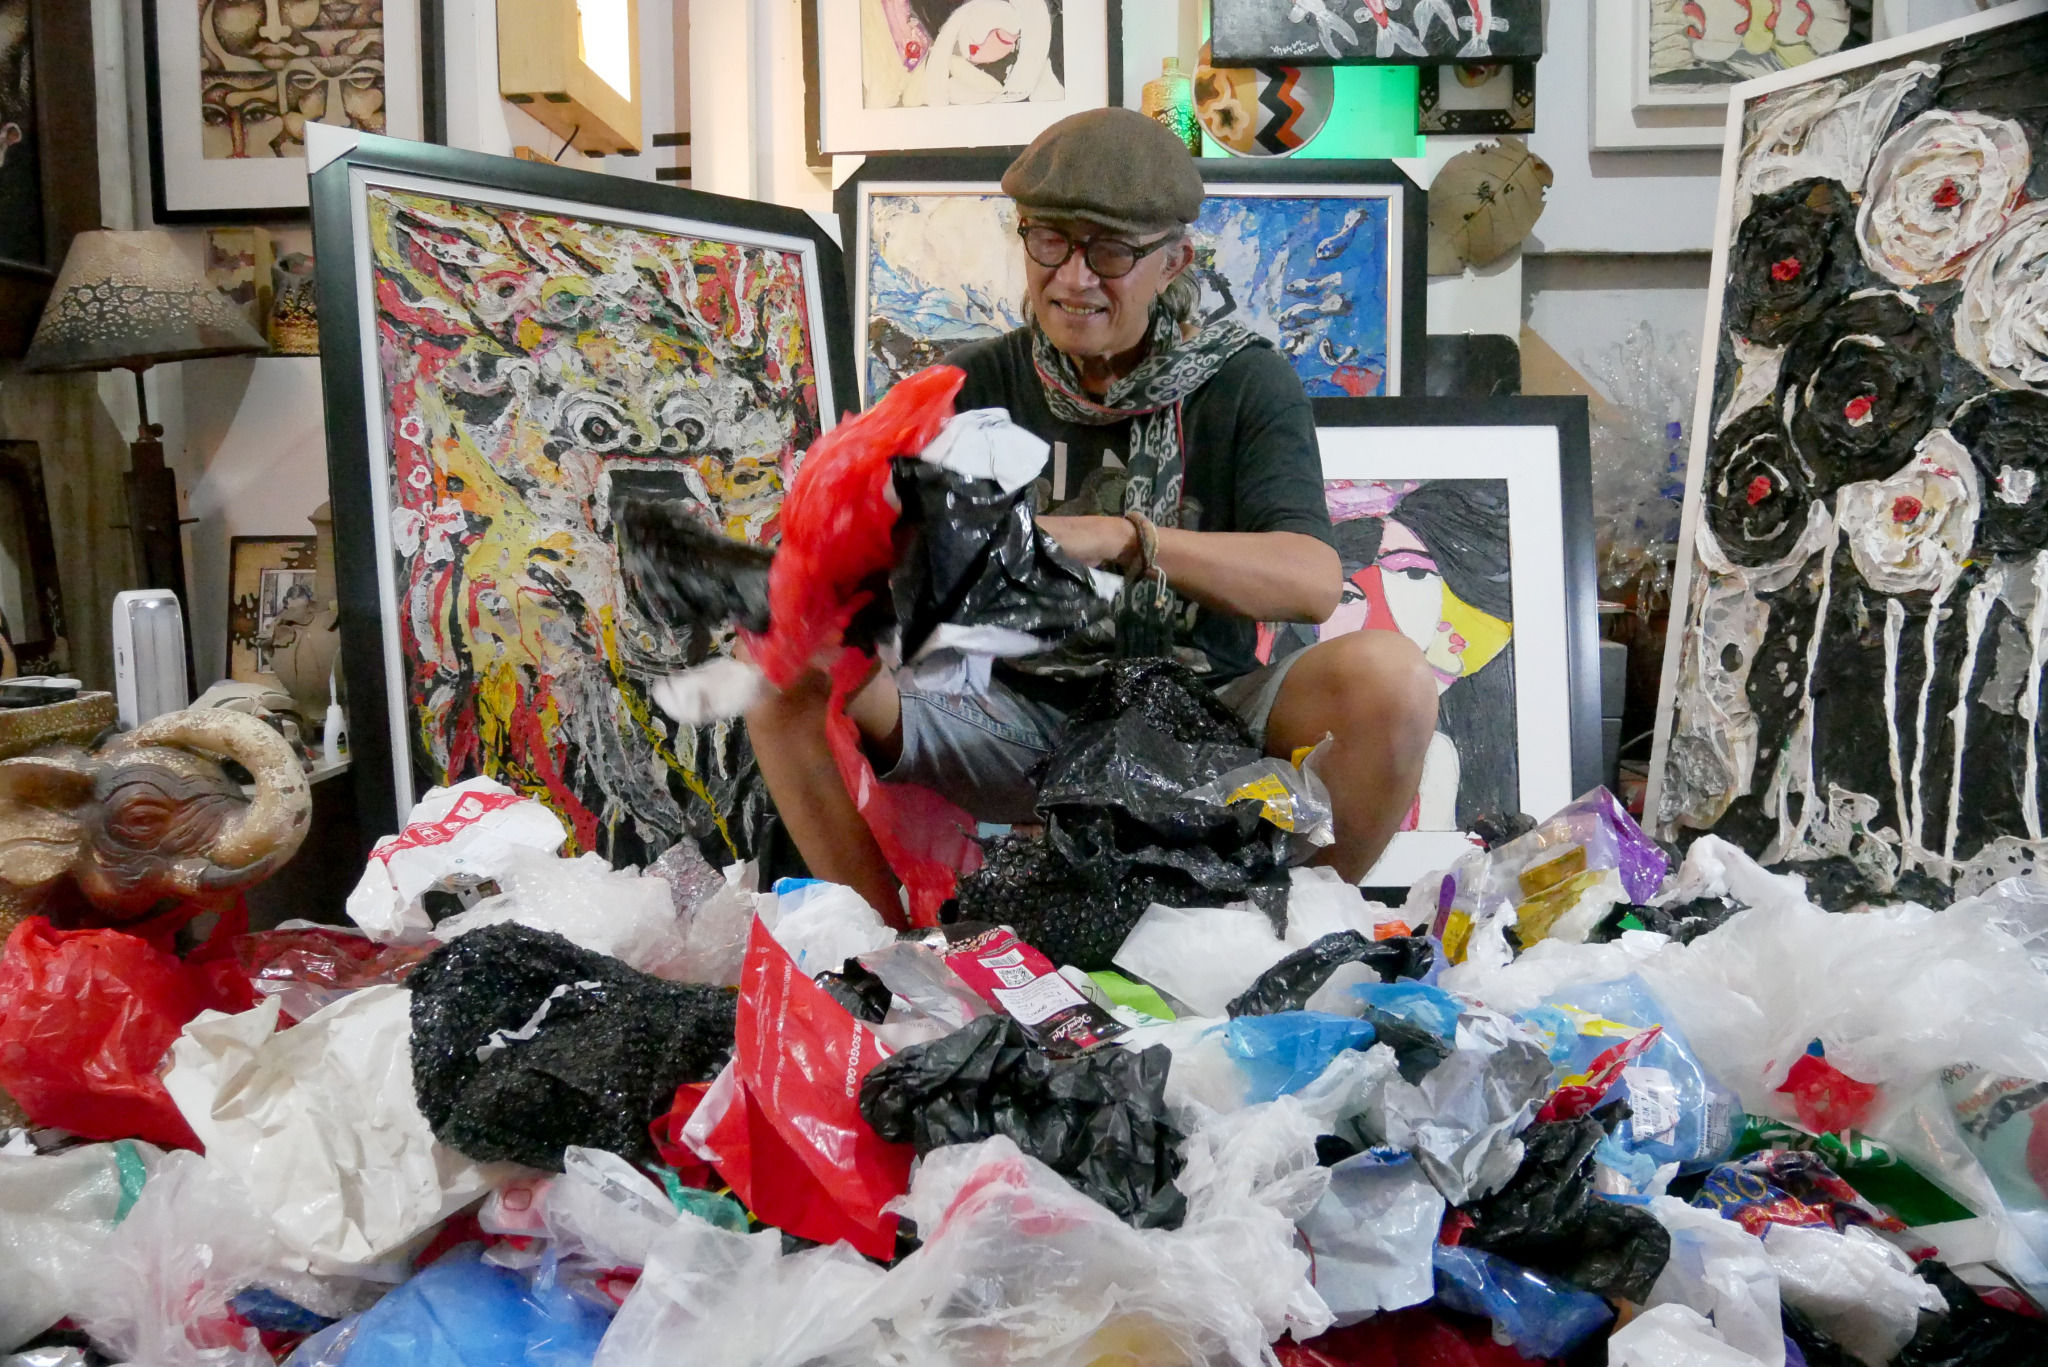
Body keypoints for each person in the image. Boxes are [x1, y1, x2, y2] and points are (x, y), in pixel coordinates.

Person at [748, 107, 1439, 923]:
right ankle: (887, 950)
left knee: (1392, 681)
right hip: (1014, 717)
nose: (1073, 279)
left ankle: (1279, 936)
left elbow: (1314, 582)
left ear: (1173, 260)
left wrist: (1127, 539)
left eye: (1109, 252)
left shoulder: (1246, 383)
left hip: (1200, 715)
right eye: (1049, 242)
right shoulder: (968, 385)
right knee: (783, 657)